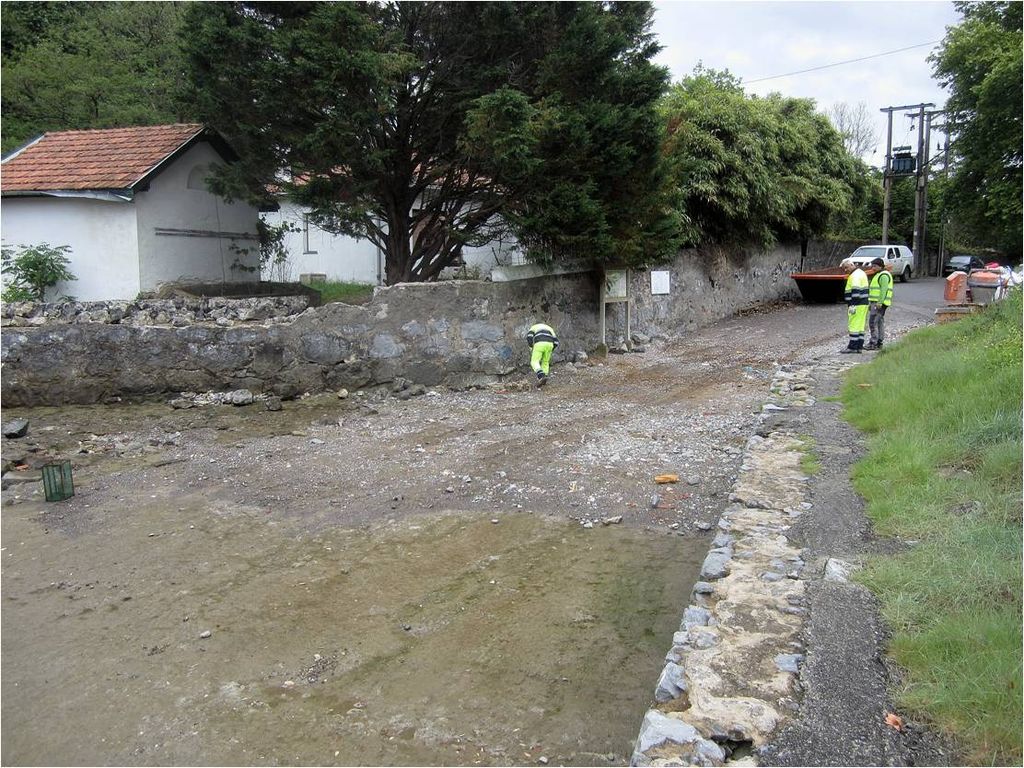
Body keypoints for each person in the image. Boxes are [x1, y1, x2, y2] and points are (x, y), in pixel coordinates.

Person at [841, 261, 869, 354]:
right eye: (844, 268)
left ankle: (852, 347)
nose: (845, 270)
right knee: (860, 325)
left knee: (853, 325)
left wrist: (852, 304)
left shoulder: (855, 275)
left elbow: (856, 291)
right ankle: (859, 346)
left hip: (856, 304)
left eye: (846, 267)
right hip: (863, 303)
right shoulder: (861, 273)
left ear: (852, 265)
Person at [865, 257, 893, 350]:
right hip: (877, 303)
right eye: (872, 266)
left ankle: (873, 343)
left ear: (880, 266)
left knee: (873, 322)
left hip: (879, 303)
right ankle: (879, 342)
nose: (873, 268)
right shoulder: (879, 274)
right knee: (879, 322)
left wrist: (879, 302)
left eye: (875, 266)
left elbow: (883, 290)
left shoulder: (883, 275)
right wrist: (871, 303)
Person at [526, 321, 558, 387]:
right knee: (545, 362)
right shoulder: (550, 328)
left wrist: (531, 347)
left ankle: (541, 376)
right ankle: (544, 378)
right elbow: (556, 342)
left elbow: (529, 337)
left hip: (539, 343)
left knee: (534, 361)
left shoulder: (534, 327)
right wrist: (551, 349)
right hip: (550, 344)